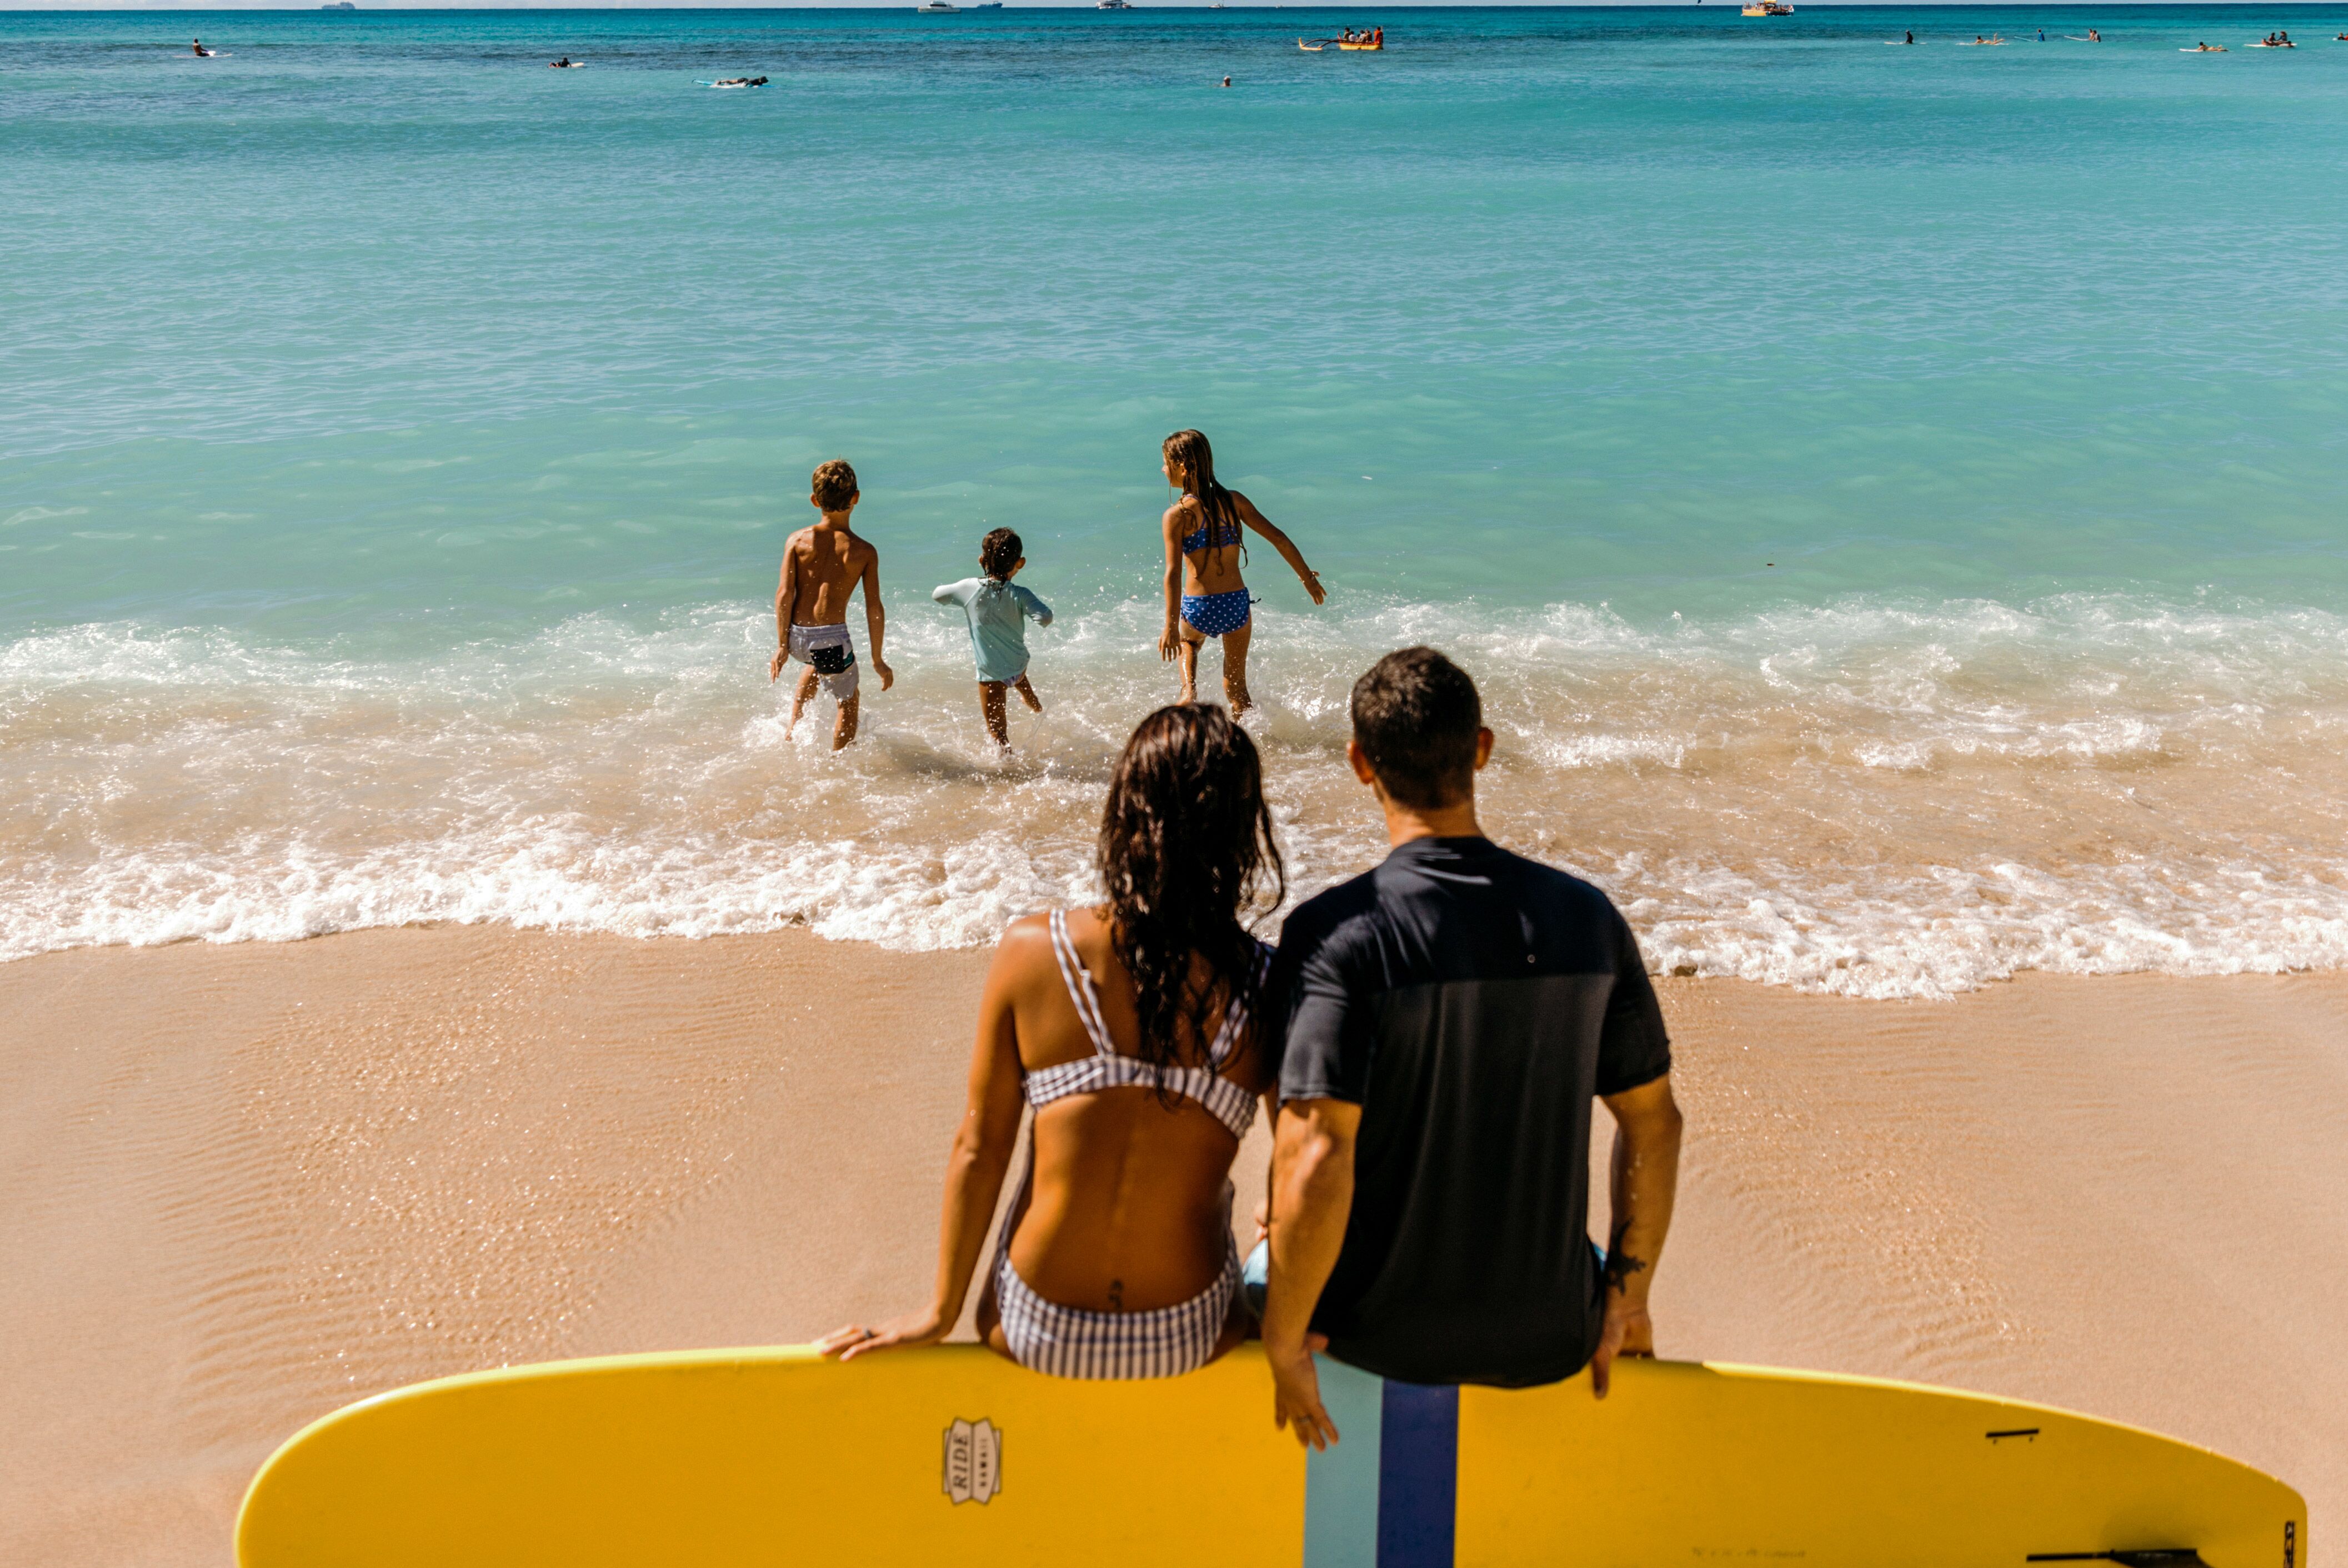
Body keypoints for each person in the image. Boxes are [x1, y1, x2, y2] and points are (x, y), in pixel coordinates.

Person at [1255, 647, 1684, 1446]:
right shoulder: (1586, 918)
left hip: (1370, 1334)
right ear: (1480, 748)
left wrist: (1283, 1339)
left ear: (1357, 762)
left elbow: (1316, 1152)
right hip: (1548, 1334)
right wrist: (1623, 1299)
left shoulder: (1334, 934)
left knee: (1256, 1255)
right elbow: (1653, 1124)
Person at [818, 704, 1285, 1377]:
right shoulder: (1266, 983)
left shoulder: (1035, 953)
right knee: (1264, 1237)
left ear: (1123, 815)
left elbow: (980, 1148)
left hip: (1035, 1328)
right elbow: (1306, 1164)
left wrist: (939, 1313)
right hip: (1190, 1334)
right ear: (1243, 832)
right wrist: (1295, 1318)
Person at [1157, 429, 1325, 714]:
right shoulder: (1234, 501)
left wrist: (1171, 626)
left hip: (1199, 607)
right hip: (1235, 604)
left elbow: (1173, 573)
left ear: (1182, 469)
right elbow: (1279, 539)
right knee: (1237, 688)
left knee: (1189, 642)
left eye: (1166, 464)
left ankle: (1188, 693)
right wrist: (1307, 578)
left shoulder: (1177, 515)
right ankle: (1243, 740)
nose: (1163, 469)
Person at [768, 458, 892, 750]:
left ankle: (792, 731)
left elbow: (784, 594)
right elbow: (874, 608)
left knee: (814, 663)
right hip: (830, 643)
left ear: (814, 500)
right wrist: (878, 659)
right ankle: (838, 763)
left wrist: (782, 645)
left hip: (798, 637)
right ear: (856, 498)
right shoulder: (863, 551)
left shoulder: (797, 541)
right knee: (848, 703)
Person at [933, 527, 1053, 748]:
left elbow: (938, 595)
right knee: (1015, 673)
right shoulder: (1021, 594)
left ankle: (1007, 768)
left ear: (982, 559)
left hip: (991, 677)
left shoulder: (969, 588)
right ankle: (1033, 703)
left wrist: (961, 588)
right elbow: (1045, 617)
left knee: (998, 733)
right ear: (1020, 563)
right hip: (1019, 665)